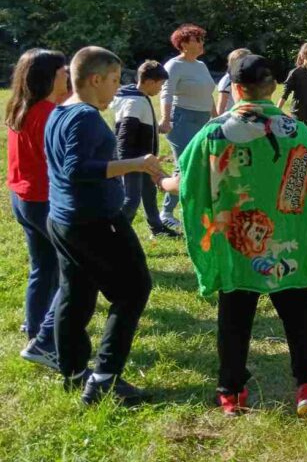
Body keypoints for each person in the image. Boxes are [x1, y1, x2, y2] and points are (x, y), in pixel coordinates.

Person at [160, 54, 307, 416]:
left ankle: (231, 393)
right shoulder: (297, 133)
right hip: (288, 246)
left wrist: (160, 180)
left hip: (237, 249)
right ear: (273, 87)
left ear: (235, 89)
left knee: (234, 319)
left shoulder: (212, 134)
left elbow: (184, 183)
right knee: (298, 315)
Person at [45, 46, 163, 405]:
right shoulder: (84, 117)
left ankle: (73, 372)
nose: (117, 87)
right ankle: (104, 380)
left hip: (64, 219)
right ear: (95, 79)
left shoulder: (60, 110)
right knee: (133, 290)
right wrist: (136, 163)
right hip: (94, 221)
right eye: (113, 80)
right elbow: (76, 170)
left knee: (76, 293)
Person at [6, 48, 70, 372]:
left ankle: (35, 330)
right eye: (62, 70)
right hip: (43, 200)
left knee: (42, 267)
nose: (67, 73)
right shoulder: (47, 113)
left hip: (22, 198)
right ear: (48, 76)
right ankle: (46, 339)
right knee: (71, 269)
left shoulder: (21, 105)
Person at [110, 60, 180, 239]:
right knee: (131, 199)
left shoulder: (138, 97)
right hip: (133, 160)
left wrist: (156, 129)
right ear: (149, 82)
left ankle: (157, 228)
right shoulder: (135, 102)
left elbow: (138, 126)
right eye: (160, 85)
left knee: (149, 193)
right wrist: (127, 164)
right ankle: (114, 234)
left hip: (144, 159)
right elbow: (125, 134)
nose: (161, 89)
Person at [160, 24, 217, 231]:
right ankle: (166, 213)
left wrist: (216, 117)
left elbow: (208, 94)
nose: (202, 43)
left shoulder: (201, 66)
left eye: (202, 39)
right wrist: (165, 119)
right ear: (183, 44)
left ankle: (193, 211)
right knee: (185, 164)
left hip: (202, 120)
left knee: (198, 164)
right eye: (197, 40)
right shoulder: (174, 65)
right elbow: (166, 93)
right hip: (181, 119)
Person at [216, 48, 252, 114]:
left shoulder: (247, 78)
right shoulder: (227, 79)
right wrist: (219, 119)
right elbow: (221, 106)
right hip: (230, 116)